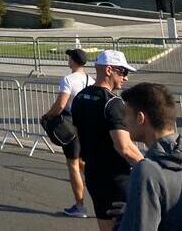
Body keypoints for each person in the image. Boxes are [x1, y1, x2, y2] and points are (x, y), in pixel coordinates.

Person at [70, 50, 144, 230]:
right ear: (109, 70)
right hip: (117, 177)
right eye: (123, 72)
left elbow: (80, 135)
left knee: (105, 223)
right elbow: (124, 147)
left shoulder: (80, 97)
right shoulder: (113, 102)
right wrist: (149, 167)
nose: (125, 78)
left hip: (94, 173)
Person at [114, 82, 182, 230]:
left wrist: (128, 218)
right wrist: (137, 208)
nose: (123, 121)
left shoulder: (147, 171)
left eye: (126, 114)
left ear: (141, 118)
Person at [42, 48, 94, 218]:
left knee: (73, 165)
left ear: (73, 61)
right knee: (82, 163)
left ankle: (80, 206)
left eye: (70, 57)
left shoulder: (68, 79)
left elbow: (60, 105)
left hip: (71, 126)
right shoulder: (91, 80)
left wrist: (47, 116)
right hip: (87, 126)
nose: (68, 59)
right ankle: (101, 192)